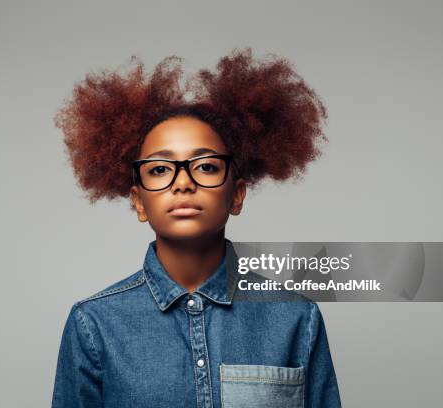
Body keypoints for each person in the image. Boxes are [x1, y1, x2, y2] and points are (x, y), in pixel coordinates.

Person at [52, 48, 341, 407]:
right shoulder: (93, 324)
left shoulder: (297, 319)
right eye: (159, 169)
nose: (183, 183)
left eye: (205, 166)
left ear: (236, 195)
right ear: (139, 202)